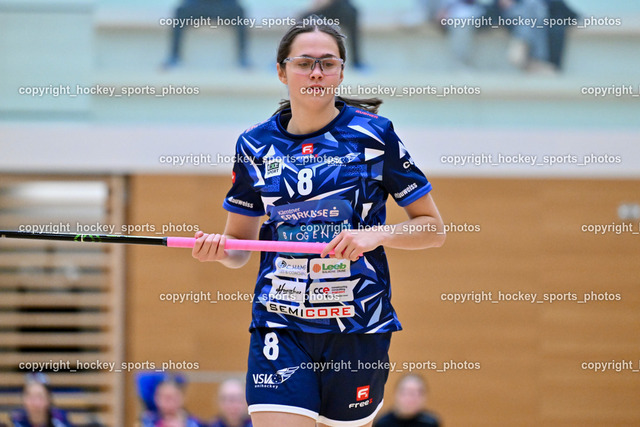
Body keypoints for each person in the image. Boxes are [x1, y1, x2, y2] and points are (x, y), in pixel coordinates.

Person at [192, 16, 445, 427]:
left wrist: (374, 235)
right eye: (304, 63)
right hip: (280, 324)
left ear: (341, 72)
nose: (316, 73)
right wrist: (219, 250)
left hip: (357, 326)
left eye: (327, 63)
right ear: (282, 71)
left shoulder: (375, 136)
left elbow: (432, 229)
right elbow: (238, 247)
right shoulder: (254, 144)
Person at [162, 0, 249, 69]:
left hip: (222, 4)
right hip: (198, 4)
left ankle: (243, 57)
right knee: (180, 12)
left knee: (239, 12)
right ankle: (174, 56)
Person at [373, 374, 440, 427]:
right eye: (407, 392)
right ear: (396, 394)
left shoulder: (430, 423)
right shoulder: (382, 423)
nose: (411, 398)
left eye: (416, 393)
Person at [139, 375, 206, 427]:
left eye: (172, 397)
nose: (168, 403)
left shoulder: (195, 424)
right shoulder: (147, 421)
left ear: (182, 397)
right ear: (155, 398)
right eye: (163, 397)